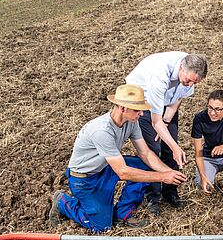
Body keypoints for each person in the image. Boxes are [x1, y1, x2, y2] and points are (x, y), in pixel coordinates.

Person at [50, 84, 187, 232]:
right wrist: (162, 177)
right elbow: (122, 172)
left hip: (106, 167)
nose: (141, 113)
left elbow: (145, 153)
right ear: (123, 108)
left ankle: (122, 214)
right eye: (137, 110)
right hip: (84, 180)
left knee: (145, 165)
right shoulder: (102, 130)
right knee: (102, 227)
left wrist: (170, 172)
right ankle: (62, 202)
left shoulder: (131, 122)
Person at [125, 52, 207, 215]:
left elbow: (178, 98)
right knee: (153, 149)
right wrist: (175, 145)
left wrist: (168, 120)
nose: (190, 84)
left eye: (194, 82)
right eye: (189, 80)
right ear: (181, 68)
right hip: (144, 104)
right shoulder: (159, 76)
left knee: (170, 149)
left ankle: (170, 191)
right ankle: (152, 196)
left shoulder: (191, 70)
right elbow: (156, 122)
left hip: (166, 106)